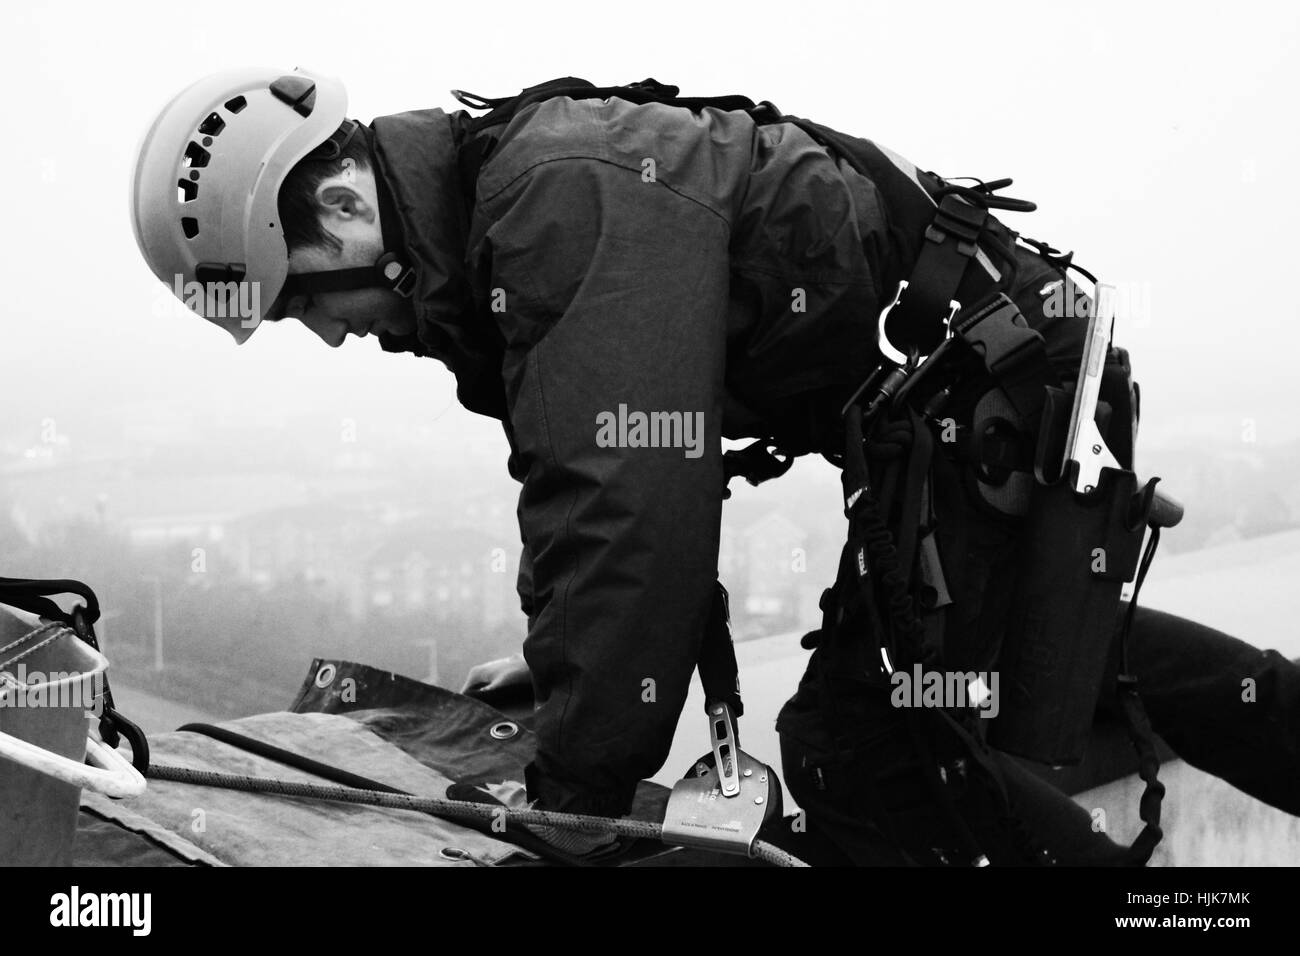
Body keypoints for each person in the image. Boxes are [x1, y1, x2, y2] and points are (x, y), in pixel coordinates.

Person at [131, 67, 1300, 864]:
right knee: (1000, 664)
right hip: (994, 380)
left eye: (307, 303)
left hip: (988, 399)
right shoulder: (493, 234)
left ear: (342, 206)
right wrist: (559, 666)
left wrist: (571, 807)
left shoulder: (555, 205)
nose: (332, 334)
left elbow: (633, 515)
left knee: (870, 745)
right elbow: (579, 479)